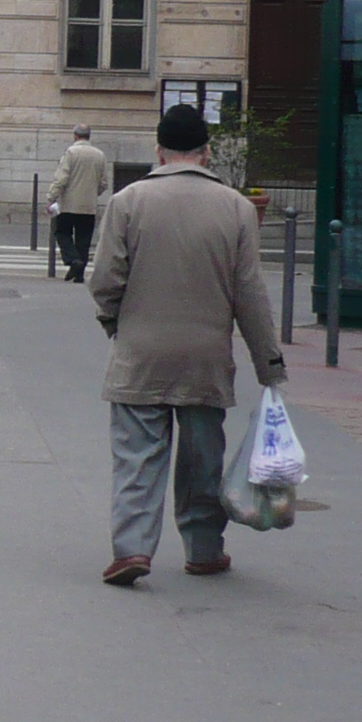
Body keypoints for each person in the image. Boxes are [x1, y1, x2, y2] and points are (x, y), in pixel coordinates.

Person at [85, 104, 287, 586]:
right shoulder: (237, 208)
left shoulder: (128, 201)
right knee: (202, 459)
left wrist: (117, 323)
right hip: (206, 358)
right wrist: (269, 366)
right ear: (207, 153)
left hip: (140, 353)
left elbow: (104, 280)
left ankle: (132, 549)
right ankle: (203, 548)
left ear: (158, 150)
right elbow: (250, 295)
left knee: (137, 457)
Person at [49, 124, 110, 281]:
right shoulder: (99, 155)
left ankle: (73, 260)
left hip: (69, 203)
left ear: (75, 136)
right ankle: (79, 274)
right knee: (83, 239)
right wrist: (93, 193)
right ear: (89, 136)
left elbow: (61, 178)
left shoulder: (71, 152)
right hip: (89, 205)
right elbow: (104, 183)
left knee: (62, 233)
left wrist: (52, 197)